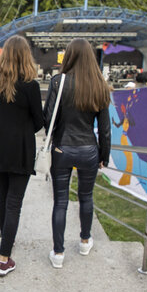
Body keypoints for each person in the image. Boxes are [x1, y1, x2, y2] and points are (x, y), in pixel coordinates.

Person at [44, 39, 112, 267]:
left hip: (62, 147)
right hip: (89, 149)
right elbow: (104, 128)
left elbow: (48, 118)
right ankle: (85, 240)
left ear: (69, 57)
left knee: (60, 201)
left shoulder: (58, 82)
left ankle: (59, 253)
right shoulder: (100, 85)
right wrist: (105, 155)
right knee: (86, 196)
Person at [0, 36, 44, 276]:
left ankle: (6, 240)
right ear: (25, 56)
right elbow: (39, 122)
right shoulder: (30, 86)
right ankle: (3, 258)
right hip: (20, 148)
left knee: (3, 197)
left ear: (4, 55)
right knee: (14, 202)